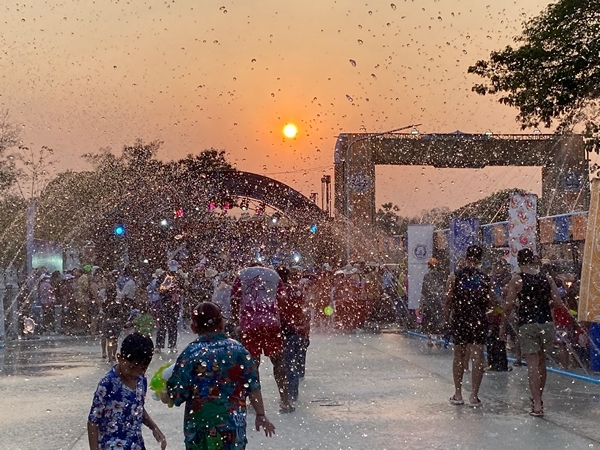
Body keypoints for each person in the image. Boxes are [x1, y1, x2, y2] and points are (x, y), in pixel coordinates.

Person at [162, 301, 275, 450]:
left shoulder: (190, 353)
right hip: (232, 425)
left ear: (193, 328)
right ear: (222, 323)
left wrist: (164, 394)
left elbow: (177, 394)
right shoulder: (238, 350)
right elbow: (253, 386)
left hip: (200, 427)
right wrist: (260, 414)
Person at [504, 248, 563, 417]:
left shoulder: (517, 279)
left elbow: (508, 304)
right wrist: (545, 305)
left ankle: (537, 403)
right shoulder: (546, 278)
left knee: (532, 364)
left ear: (519, 262)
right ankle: (539, 397)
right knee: (542, 363)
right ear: (533, 261)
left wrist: (504, 322)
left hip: (527, 324)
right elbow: (558, 301)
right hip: (546, 323)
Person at [230, 263, 294, 413]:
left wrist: (236, 321)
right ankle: (285, 400)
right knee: (278, 361)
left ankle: (254, 402)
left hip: (249, 325)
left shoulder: (241, 275)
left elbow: (234, 300)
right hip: (271, 324)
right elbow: (283, 301)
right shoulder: (274, 275)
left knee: (252, 364)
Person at [87, 332, 167, 450]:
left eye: (142, 368)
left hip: (136, 444)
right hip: (112, 445)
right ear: (119, 358)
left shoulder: (141, 380)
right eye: (131, 367)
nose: (135, 373)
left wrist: (153, 427)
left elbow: (137, 408)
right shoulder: (108, 383)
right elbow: (93, 421)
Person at [444, 245, 492, 407]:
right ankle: (474, 396)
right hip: (478, 320)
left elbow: (448, 300)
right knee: (477, 356)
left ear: (466, 257)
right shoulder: (485, 278)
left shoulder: (455, 276)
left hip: (460, 319)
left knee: (459, 355)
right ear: (480, 259)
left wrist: (446, 319)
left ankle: (458, 394)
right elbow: (489, 302)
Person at [276, 266, 311, 402]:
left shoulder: (277, 292)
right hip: (299, 331)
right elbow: (306, 311)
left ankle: (289, 395)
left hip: (286, 331)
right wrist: (306, 330)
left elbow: (277, 313)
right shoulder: (297, 290)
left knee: (286, 364)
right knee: (294, 363)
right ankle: (293, 393)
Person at [420, 258, 446, 346]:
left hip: (429, 302)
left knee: (428, 321)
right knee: (438, 320)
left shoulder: (427, 276)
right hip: (438, 302)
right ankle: (438, 339)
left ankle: (429, 340)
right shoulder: (441, 276)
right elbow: (443, 290)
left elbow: (423, 292)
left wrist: (421, 304)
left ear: (429, 266)